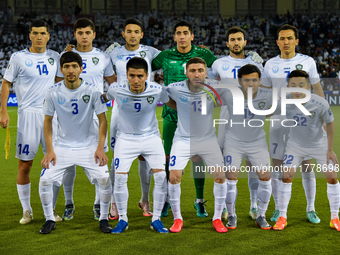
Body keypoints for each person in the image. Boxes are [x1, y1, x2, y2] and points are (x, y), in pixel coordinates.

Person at [39, 51, 111, 234]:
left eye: (74, 66)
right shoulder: (53, 92)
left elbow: (103, 120)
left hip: (88, 146)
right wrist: (49, 150)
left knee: (104, 179)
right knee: (45, 181)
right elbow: (47, 121)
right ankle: (49, 219)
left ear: (81, 68)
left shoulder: (92, 92)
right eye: (66, 67)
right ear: (61, 69)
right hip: (61, 147)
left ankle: (103, 218)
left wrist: (100, 148)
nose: (71, 70)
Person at [152, 20, 218, 217]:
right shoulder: (164, 56)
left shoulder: (204, 54)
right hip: (172, 116)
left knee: (198, 159)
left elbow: (222, 69)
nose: (182, 36)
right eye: (178, 33)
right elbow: (144, 66)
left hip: (198, 116)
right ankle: (166, 200)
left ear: (192, 36)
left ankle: (199, 200)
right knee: (166, 160)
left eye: (185, 33)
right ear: (174, 37)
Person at [103, 57, 175, 233]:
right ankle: (123, 219)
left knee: (160, 177)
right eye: (132, 75)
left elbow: (172, 104)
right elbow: (102, 99)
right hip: (126, 139)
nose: (136, 80)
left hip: (151, 138)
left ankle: (156, 219)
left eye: (140, 76)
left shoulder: (157, 89)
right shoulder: (115, 89)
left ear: (147, 76)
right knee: (119, 178)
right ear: (126, 75)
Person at [261, 24, 324, 223]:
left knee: (306, 164)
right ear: (277, 41)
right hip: (279, 119)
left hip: (303, 119)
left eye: (290, 38)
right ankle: (279, 210)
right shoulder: (270, 64)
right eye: (282, 38)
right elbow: (264, 91)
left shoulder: (308, 61)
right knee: (277, 165)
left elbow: (317, 88)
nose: (286, 42)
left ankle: (311, 208)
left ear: (297, 41)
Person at [55, 18, 115, 221]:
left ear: (94, 35)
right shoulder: (66, 55)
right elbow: (57, 82)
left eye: (87, 32)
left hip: (95, 116)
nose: (84, 36)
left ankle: (98, 204)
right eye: (80, 32)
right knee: (66, 162)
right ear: (75, 34)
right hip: (68, 116)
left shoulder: (103, 57)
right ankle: (69, 203)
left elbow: (112, 82)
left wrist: (107, 95)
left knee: (99, 161)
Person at [0, 20, 59, 224]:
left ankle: (51, 210)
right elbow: (6, 83)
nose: (39, 36)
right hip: (28, 115)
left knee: (54, 164)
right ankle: (27, 210)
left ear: (49, 36)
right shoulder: (18, 58)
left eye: (43, 33)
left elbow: (63, 81)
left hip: (51, 116)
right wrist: (4, 112)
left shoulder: (55, 57)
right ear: (30, 35)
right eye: (35, 33)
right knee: (25, 164)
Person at [106, 19, 160, 219]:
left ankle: (145, 200)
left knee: (145, 157)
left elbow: (177, 57)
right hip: (120, 109)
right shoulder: (113, 52)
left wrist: (199, 52)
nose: (132, 35)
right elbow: (91, 60)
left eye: (136, 31)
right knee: (117, 158)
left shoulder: (152, 52)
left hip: (145, 108)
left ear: (141, 34)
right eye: (129, 31)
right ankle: (114, 201)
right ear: (123, 34)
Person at [166, 57, 228, 233]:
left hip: (208, 140)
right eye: (192, 71)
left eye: (200, 70)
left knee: (220, 177)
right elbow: (166, 98)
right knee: (174, 177)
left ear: (206, 72)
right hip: (183, 139)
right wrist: (182, 106)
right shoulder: (175, 88)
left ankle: (217, 218)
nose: (197, 74)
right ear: (186, 72)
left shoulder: (214, 87)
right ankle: (178, 218)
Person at [273, 70, 340, 231]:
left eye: (301, 85)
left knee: (332, 177)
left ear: (308, 86)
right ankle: (282, 216)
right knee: (286, 176)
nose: (297, 89)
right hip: (295, 146)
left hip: (320, 145)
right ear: (288, 87)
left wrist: (330, 150)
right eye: (293, 85)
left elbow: (330, 124)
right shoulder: (284, 102)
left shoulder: (320, 103)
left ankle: (334, 217)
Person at [209, 26, 264, 220]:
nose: (236, 42)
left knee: (252, 162)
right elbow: (206, 82)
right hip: (227, 114)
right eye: (232, 39)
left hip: (251, 114)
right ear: (227, 43)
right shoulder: (218, 64)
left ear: (245, 42)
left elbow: (265, 86)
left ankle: (254, 205)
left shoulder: (254, 62)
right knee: (225, 160)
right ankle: (224, 206)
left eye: (239, 39)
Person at [219, 64, 273, 230]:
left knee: (265, 178)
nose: (251, 83)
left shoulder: (268, 95)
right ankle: (232, 215)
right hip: (233, 142)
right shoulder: (229, 93)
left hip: (257, 143)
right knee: (231, 179)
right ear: (240, 81)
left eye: (255, 80)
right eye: (247, 80)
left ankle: (261, 215)